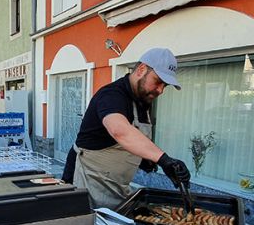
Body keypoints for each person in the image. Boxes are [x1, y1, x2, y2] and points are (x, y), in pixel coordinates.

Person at [62, 47, 191, 209]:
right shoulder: (111, 95)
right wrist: (163, 159)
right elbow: (119, 130)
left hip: (115, 184)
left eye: (165, 86)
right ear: (141, 69)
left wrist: (144, 158)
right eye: (158, 81)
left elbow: (133, 137)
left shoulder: (143, 101)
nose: (160, 90)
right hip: (87, 178)